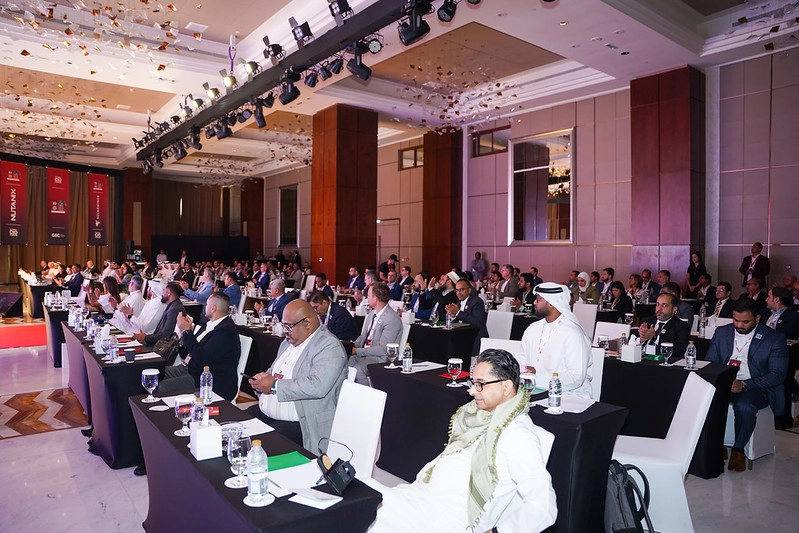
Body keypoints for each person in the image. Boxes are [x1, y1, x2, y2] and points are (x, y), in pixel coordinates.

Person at [368, 349, 557, 533]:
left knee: (365, 509)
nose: (472, 391)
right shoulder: (477, 416)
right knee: (362, 492)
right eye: (473, 383)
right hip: (421, 499)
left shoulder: (518, 434)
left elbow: (544, 506)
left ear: (506, 387)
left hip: (447, 519)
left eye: (481, 384)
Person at [247, 299, 347, 451]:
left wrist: (273, 385)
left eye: (288, 326)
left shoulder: (328, 346)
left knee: (252, 448)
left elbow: (317, 386)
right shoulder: (287, 343)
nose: (284, 331)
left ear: (307, 323)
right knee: (233, 428)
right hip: (266, 414)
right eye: (283, 325)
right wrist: (261, 381)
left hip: (300, 424)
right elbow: (274, 373)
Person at [706, 298, 788, 471]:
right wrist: (724, 381)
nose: (739, 325)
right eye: (736, 320)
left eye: (745, 322)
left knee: (744, 406)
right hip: (725, 383)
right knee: (706, 401)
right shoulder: (722, 332)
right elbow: (710, 362)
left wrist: (744, 384)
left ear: (757, 318)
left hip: (757, 386)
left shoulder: (774, 339)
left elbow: (777, 375)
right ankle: (716, 444)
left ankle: (738, 450)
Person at [156, 292, 240, 401]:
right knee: (154, 372)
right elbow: (187, 353)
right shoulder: (208, 324)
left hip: (209, 379)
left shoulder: (226, 331)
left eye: (207, 305)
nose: (205, 307)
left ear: (213, 308)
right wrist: (184, 334)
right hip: (190, 368)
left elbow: (202, 357)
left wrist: (186, 332)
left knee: (163, 387)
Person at [519, 282, 592, 398]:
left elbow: (576, 377)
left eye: (538, 299)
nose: (534, 302)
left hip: (569, 396)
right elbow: (522, 361)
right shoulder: (533, 329)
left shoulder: (573, 333)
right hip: (534, 391)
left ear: (552, 303)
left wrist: (537, 378)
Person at [349, 283, 403, 385]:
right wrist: (351, 346)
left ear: (376, 298)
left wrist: (357, 351)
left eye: (369, 295)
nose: (367, 298)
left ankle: (367, 394)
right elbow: (363, 337)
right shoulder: (371, 314)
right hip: (365, 353)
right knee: (343, 362)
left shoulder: (392, 319)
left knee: (358, 370)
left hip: (380, 357)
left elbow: (383, 349)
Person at [632, 292, 690, 361]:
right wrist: (641, 339)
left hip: (663, 363)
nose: (659, 308)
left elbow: (679, 351)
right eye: (657, 304)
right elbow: (632, 342)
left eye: (664, 305)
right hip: (641, 359)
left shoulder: (681, 326)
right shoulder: (647, 321)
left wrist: (655, 337)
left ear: (674, 309)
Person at [445, 280, 488, 355]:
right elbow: (457, 320)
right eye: (457, 290)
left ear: (469, 290)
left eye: (461, 289)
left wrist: (458, 312)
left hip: (475, 338)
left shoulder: (477, 302)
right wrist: (452, 315)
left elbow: (477, 322)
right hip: (461, 337)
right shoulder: (458, 304)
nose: (458, 293)